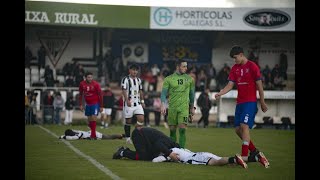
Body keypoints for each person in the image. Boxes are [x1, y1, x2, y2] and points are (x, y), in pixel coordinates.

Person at [214, 45, 270, 168]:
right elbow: (230, 85)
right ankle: (254, 151)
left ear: (241, 54)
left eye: (235, 58)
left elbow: (259, 86)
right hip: (240, 103)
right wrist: (220, 93)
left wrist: (262, 101)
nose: (235, 60)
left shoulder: (253, 66)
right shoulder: (235, 68)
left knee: (244, 127)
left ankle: (244, 157)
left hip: (250, 102)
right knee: (237, 130)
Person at [112, 126, 247, 168]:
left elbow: (159, 148)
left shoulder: (172, 146)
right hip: (139, 134)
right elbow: (159, 145)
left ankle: (236, 160)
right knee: (144, 157)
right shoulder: (172, 146)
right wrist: (169, 154)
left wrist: (168, 155)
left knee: (149, 156)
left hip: (147, 137)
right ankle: (123, 152)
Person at [160, 59, 195, 148]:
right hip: (172, 108)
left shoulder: (190, 79)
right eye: (184, 66)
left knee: (182, 130)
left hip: (184, 108)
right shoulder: (169, 79)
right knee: (172, 131)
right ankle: (173, 151)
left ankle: (182, 151)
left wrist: (192, 108)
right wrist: (163, 104)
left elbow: (192, 94)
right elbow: (163, 93)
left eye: (186, 66)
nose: (186, 68)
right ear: (178, 67)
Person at [121, 64, 145, 144]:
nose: (135, 71)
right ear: (129, 70)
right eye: (133, 70)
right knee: (128, 121)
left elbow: (140, 91)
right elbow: (124, 90)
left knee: (141, 119)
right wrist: (127, 100)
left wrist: (142, 101)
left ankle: (135, 133)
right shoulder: (125, 79)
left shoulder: (138, 80)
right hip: (129, 103)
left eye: (136, 70)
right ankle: (128, 138)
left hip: (137, 103)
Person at [79, 71, 103, 140]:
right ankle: (92, 132)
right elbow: (80, 95)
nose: (90, 79)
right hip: (88, 104)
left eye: (91, 77)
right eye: (88, 77)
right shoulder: (82, 84)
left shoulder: (96, 84)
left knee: (93, 117)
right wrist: (80, 104)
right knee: (89, 120)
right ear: (85, 77)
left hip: (95, 103)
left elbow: (100, 95)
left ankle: (93, 135)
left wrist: (101, 106)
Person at [59, 129, 124, 140]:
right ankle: (121, 136)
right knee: (109, 136)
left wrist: (63, 137)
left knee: (109, 137)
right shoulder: (75, 131)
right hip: (91, 133)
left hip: (94, 135)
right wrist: (62, 136)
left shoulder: (77, 135)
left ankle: (122, 135)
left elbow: (75, 137)